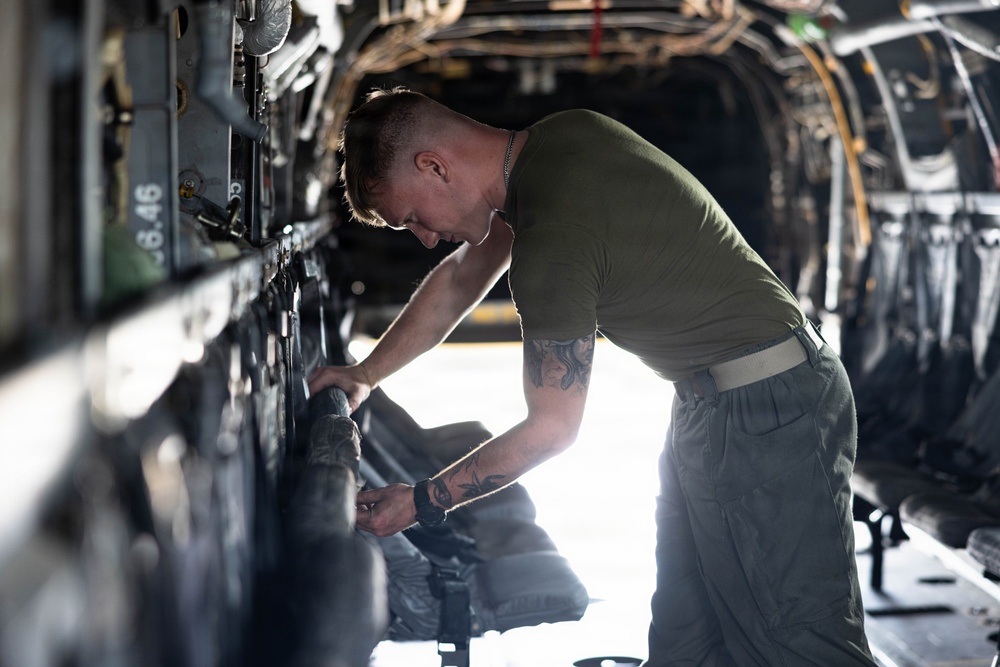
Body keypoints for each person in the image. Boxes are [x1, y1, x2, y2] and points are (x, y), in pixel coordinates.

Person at [307, 86, 877, 666]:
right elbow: (460, 277)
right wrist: (366, 373)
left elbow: (551, 430)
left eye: (411, 219)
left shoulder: (554, 240)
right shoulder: (563, 140)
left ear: (434, 166)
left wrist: (424, 500)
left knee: (802, 643)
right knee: (689, 638)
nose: (425, 237)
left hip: (770, 413)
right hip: (711, 408)